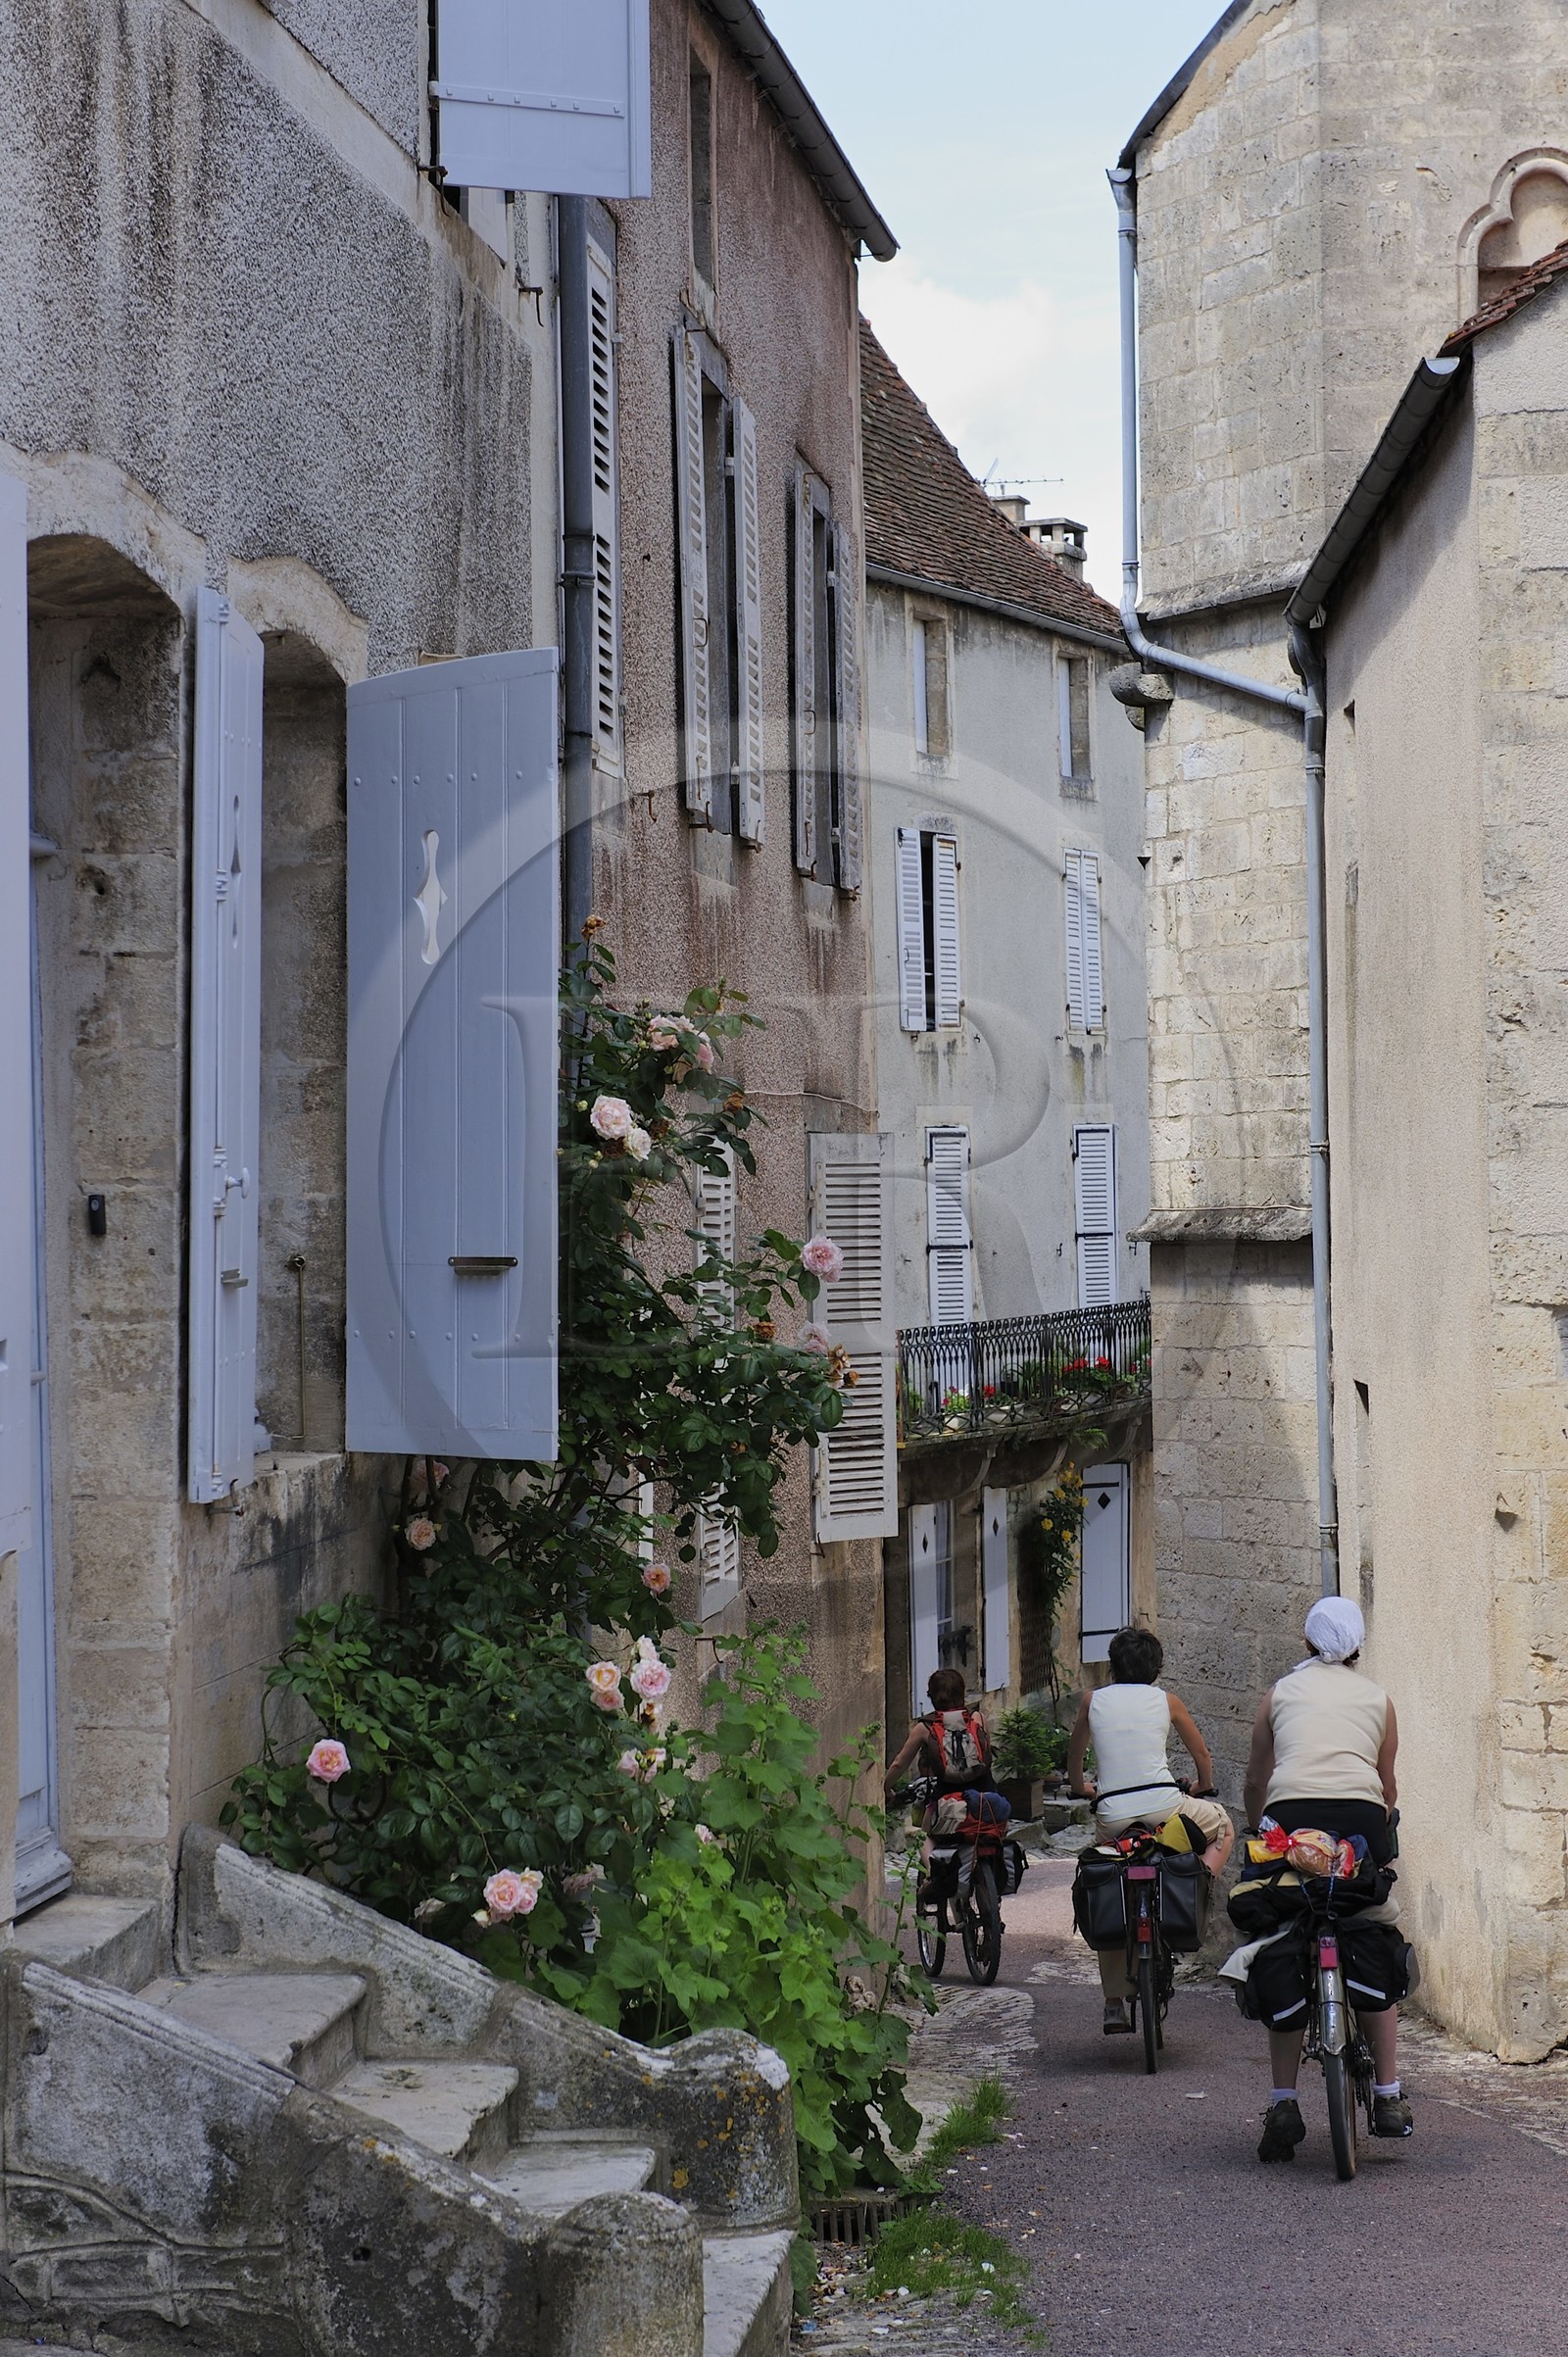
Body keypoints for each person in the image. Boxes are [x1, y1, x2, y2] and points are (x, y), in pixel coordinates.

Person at [1242, 1594, 1412, 2160]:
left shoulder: (1279, 1694)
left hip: (1292, 1821)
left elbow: (1257, 1778)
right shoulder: (1379, 1700)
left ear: (1308, 1642)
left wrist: (1260, 1828)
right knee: (1374, 1927)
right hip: (1358, 1822)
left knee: (1279, 1933)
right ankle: (1387, 2094)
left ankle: (1284, 2103)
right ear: (1359, 1645)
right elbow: (1387, 1787)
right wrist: (1380, 1827)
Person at [1067, 1625, 1235, 2033]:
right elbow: (1202, 1754)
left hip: (1112, 1816)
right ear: (1156, 1669)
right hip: (1166, 1808)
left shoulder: (1093, 1701)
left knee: (1108, 1884)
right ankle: (1198, 1881)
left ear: (1112, 1666)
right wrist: (1201, 1787)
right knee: (1224, 1827)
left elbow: (1074, 1754)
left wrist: (1081, 1788)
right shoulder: (1167, 1701)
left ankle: (1111, 2003)